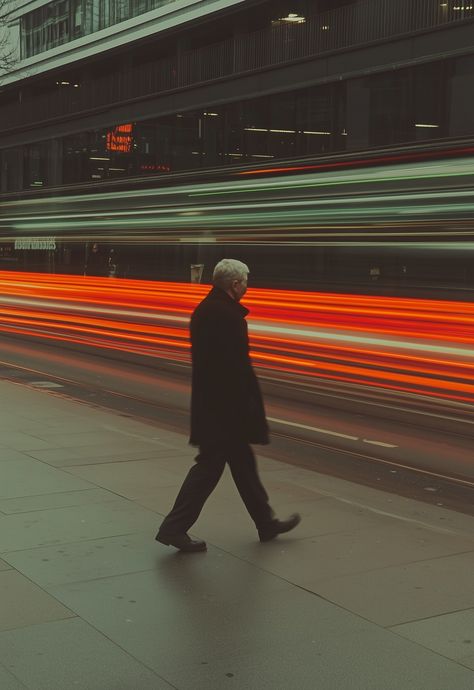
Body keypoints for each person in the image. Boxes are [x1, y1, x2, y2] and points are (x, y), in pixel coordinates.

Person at [156, 259, 301, 552]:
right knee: (209, 468)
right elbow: (233, 369)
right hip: (224, 412)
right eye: (245, 282)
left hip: (217, 409)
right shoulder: (225, 316)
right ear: (235, 285)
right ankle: (173, 528)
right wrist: (245, 411)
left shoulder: (210, 310)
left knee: (243, 466)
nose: (248, 286)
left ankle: (265, 522)